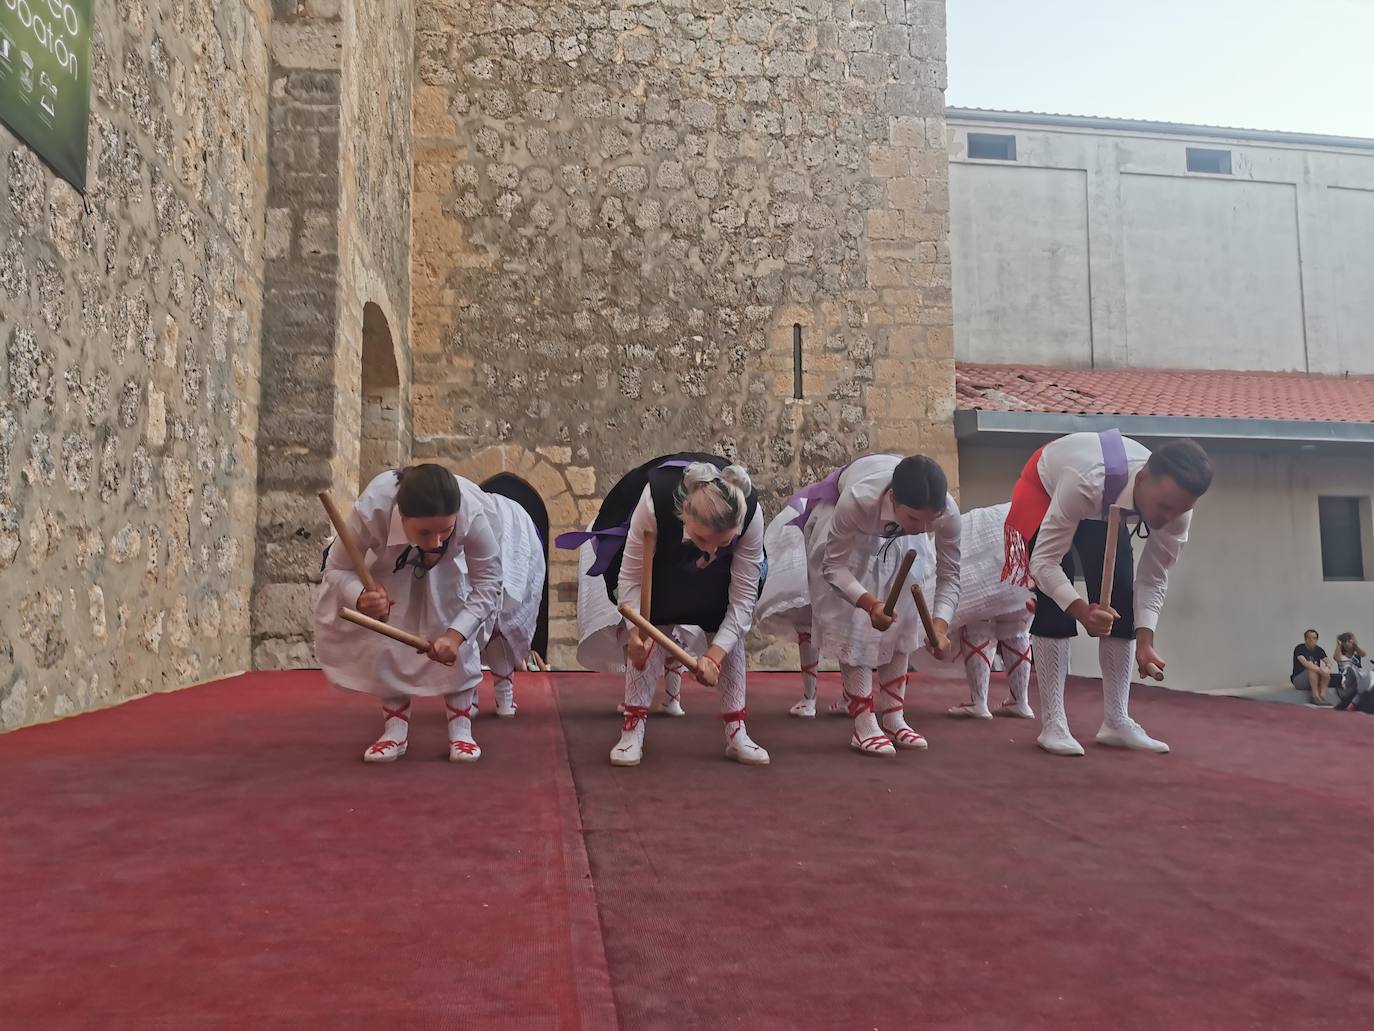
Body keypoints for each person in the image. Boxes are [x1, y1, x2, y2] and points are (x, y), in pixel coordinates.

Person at [1002, 431, 1212, 756]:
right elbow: (1044, 563)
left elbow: (1153, 578)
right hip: (1047, 485)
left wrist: (1145, 642)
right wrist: (1081, 610)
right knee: (1054, 602)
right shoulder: (1085, 483)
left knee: (1121, 596)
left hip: (1105, 500)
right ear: (1142, 479)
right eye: (1164, 507)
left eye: (1179, 511)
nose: (1167, 519)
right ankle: (1054, 723)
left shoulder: (1176, 510)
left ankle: (1117, 720)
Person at [557, 453, 769, 767]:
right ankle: (632, 729)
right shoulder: (654, 499)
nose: (710, 552)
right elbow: (629, 577)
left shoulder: (750, 514)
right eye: (702, 539)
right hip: (662, 566)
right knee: (650, 628)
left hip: (722, 584)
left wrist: (714, 656)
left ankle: (736, 730)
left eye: (723, 543)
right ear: (685, 513)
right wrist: (635, 634)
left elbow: (742, 601)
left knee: (726, 629)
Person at [755, 454, 960, 756]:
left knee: (902, 620)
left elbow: (950, 574)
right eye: (916, 519)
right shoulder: (858, 499)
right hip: (848, 536)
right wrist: (869, 604)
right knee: (853, 622)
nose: (924, 528)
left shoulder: (943, 512)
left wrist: (940, 627)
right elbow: (834, 567)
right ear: (893, 498)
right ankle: (863, 723)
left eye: (931, 520)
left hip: (894, 534)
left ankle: (894, 716)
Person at [313, 464, 505, 763]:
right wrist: (362, 596)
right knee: (389, 635)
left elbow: (488, 582)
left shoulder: (472, 514)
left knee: (452, 622)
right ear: (402, 517)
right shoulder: (373, 508)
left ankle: (461, 730)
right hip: (387, 565)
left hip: (451, 568)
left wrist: (455, 636)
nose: (435, 542)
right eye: (424, 531)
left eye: (445, 530)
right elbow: (337, 568)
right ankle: (394, 731)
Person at [1291, 629, 1333, 705]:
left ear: (1317, 639)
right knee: (1312, 668)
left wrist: (1327, 668)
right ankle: (1315, 697)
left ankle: (1322, 696)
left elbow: (1328, 662)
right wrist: (1321, 671)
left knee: (1325, 671)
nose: (1311, 640)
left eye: (1314, 638)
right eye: (1309, 638)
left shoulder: (1319, 650)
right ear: (1305, 639)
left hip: (1314, 680)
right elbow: (1305, 663)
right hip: (1299, 680)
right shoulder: (1299, 648)